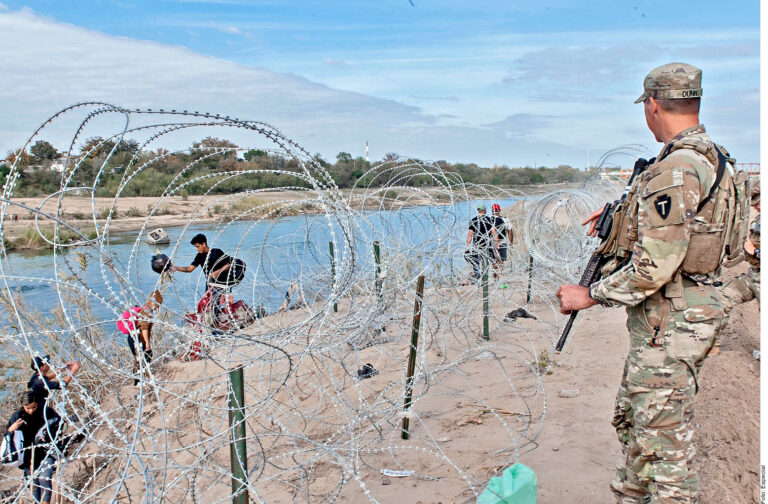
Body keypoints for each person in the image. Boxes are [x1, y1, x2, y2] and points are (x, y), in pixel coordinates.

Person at [556, 63, 745, 503]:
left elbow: (656, 266)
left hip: (671, 323)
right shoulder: (713, 158)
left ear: (653, 106)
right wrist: (622, 217)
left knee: (664, 452)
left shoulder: (674, 169)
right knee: (636, 425)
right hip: (683, 315)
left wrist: (590, 295)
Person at [6, 391, 61, 504]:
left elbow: (59, 425)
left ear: (37, 403)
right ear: (23, 405)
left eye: (33, 407)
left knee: (44, 479)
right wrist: (12, 429)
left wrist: (49, 435)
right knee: (34, 483)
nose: (31, 411)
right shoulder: (17, 416)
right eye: (28, 408)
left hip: (46, 452)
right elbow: (7, 436)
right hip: (28, 456)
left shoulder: (46, 412)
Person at [171, 234, 231, 328]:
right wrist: (176, 268)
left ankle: (215, 325)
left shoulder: (217, 252)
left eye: (198, 246)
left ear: (204, 244)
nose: (197, 249)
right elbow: (190, 269)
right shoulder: (199, 256)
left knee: (215, 303)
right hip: (210, 283)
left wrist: (217, 272)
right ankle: (214, 321)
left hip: (222, 282)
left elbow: (228, 264)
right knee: (208, 303)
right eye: (196, 247)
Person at [718, 178, 760, 313]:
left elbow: (752, 249)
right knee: (720, 300)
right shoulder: (760, 219)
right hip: (754, 276)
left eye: (757, 201)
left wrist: (755, 251)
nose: (754, 206)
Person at [117, 290, 163, 386]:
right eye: (159, 304)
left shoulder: (143, 308)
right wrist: (147, 343)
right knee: (143, 357)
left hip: (133, 337)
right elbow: (144, 328)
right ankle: (139, 382)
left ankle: (140, 380)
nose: (158, 307)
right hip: (137, 338)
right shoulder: (146, 312)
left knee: (140, 359)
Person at [464, 204, 499, 284]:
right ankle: (485, 279)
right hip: (487, 245)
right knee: (487, 263)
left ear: (478, 211)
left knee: (476, 263)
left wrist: (467, 246)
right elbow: (494, 233)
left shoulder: (473, 220)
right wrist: (497, 243)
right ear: (485, 211)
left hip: (477, 245)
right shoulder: (489, 220)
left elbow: (470, 234)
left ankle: (478, 278)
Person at [491, 203, 514, 285]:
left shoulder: (489, 220)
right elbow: (510, 232)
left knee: (493, 261)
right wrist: (511, 243)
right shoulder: (505, 219)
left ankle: (495, 278)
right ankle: (499, 278)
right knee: (501, 261)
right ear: (499, 211)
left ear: (492, 211)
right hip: (503, 242)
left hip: (492, 242)